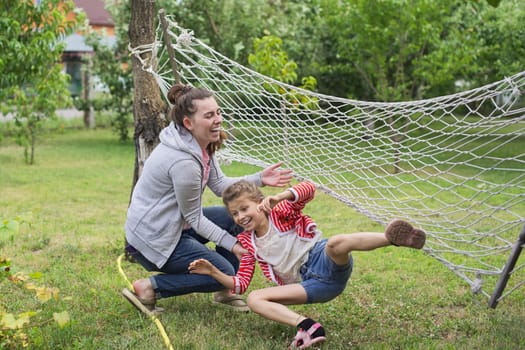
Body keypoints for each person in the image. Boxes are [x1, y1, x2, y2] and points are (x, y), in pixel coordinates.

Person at [188, 180, 426, 349]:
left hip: (322, 259)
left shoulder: (280, 212)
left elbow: (309, 188)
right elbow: (239, 285)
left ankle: (393, 238)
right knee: (254, 298)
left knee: (336, 243)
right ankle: (308, 327)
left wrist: (280, 196)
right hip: (312, 284)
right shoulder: (247, 243)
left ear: (260, 203)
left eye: (244, 208)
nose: (240, 216)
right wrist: (213, 271)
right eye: (234, 214)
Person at [121, 83, 293, 316]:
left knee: (235, 217)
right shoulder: (183, 162)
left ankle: (226, 289)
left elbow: (220, 186)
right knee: (221, 271)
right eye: (209, 115)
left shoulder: (199, 145)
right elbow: (194, 217)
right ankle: (150, 288)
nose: (217, 119)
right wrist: (233, 245)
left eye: (218, 112)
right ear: (188, 123)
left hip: (175, 225)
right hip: (154, 239)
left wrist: (260, 178)